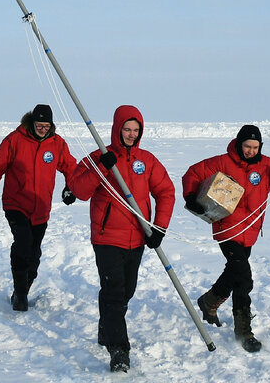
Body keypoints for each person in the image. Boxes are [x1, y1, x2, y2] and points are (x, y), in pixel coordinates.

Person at [67, 105, 174, 373]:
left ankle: (106, 329)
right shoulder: (99, 157)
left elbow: (166, 191)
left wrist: (158, 227)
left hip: (137, 238)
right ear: (117, 128)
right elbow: (79, 190)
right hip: (106, 238)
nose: (131, 134)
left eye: (135, 130)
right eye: (127, 129)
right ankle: (119, 349)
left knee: (125, 291)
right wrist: (102, 168)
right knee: (114, 291)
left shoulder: (146, 160)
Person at [181, 124, 270, 352]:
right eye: (247, 146)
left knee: (234, 272)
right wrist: (190, 196)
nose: (250, 151)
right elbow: (192, 173)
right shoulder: (222, 162)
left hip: (249, 233)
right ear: (239, 144)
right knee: (243, 278)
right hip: (227, 228)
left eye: (255, 147)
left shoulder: (266, 165)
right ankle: (244, 332)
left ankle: (209, 301)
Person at [0, 103, 77, 311]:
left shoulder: (57, 144)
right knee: (23, 243)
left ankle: (22, 288)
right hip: (16, 203)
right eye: (39, 125)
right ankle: (21, 295)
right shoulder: (14, 140)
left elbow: (71, 167)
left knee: (34, 254)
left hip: (41, 207)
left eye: (46, 126)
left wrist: (70, 188)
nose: (42, 129)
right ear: (31, 122)